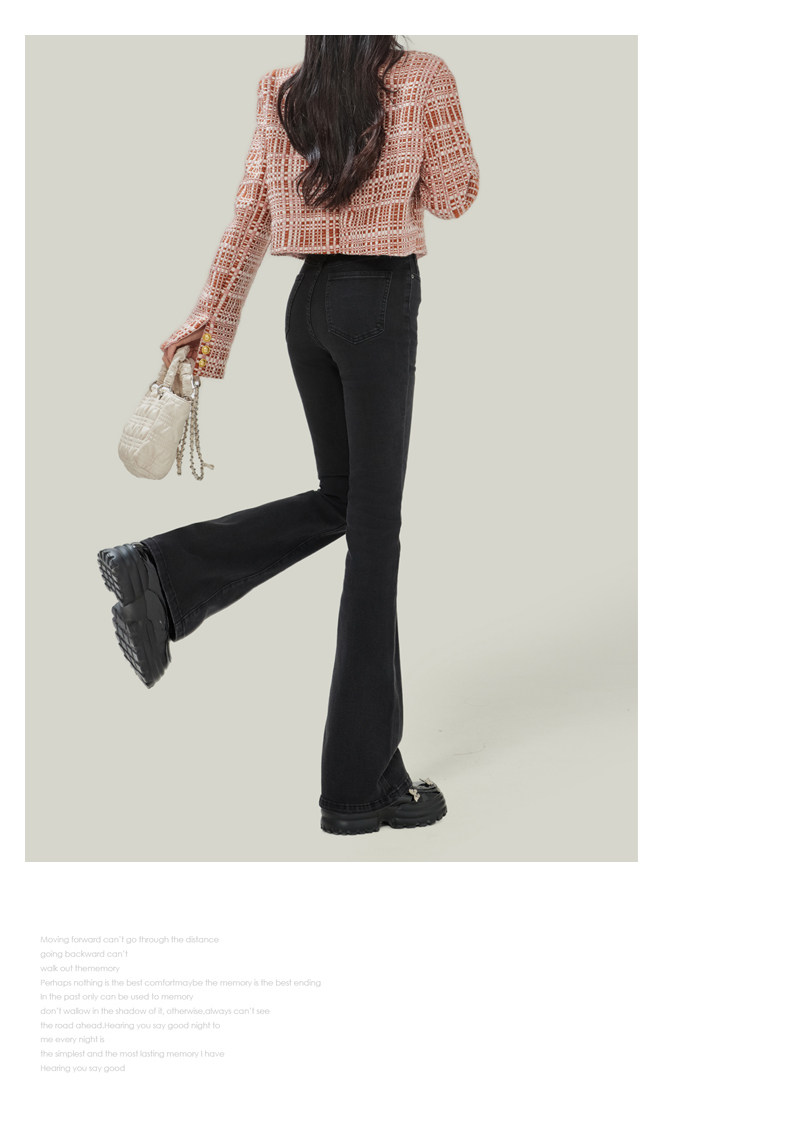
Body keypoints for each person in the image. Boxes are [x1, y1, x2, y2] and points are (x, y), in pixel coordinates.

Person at [97, 36, 480, 835]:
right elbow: (455, 195)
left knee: (343, 502)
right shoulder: (421, 76)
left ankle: (164, 573)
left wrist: (205, 320)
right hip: (377, 303)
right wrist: (408, 154)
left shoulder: (283, 87)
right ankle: (357, 788)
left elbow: (250, 216)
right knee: (374, 535)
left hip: (305, 307)